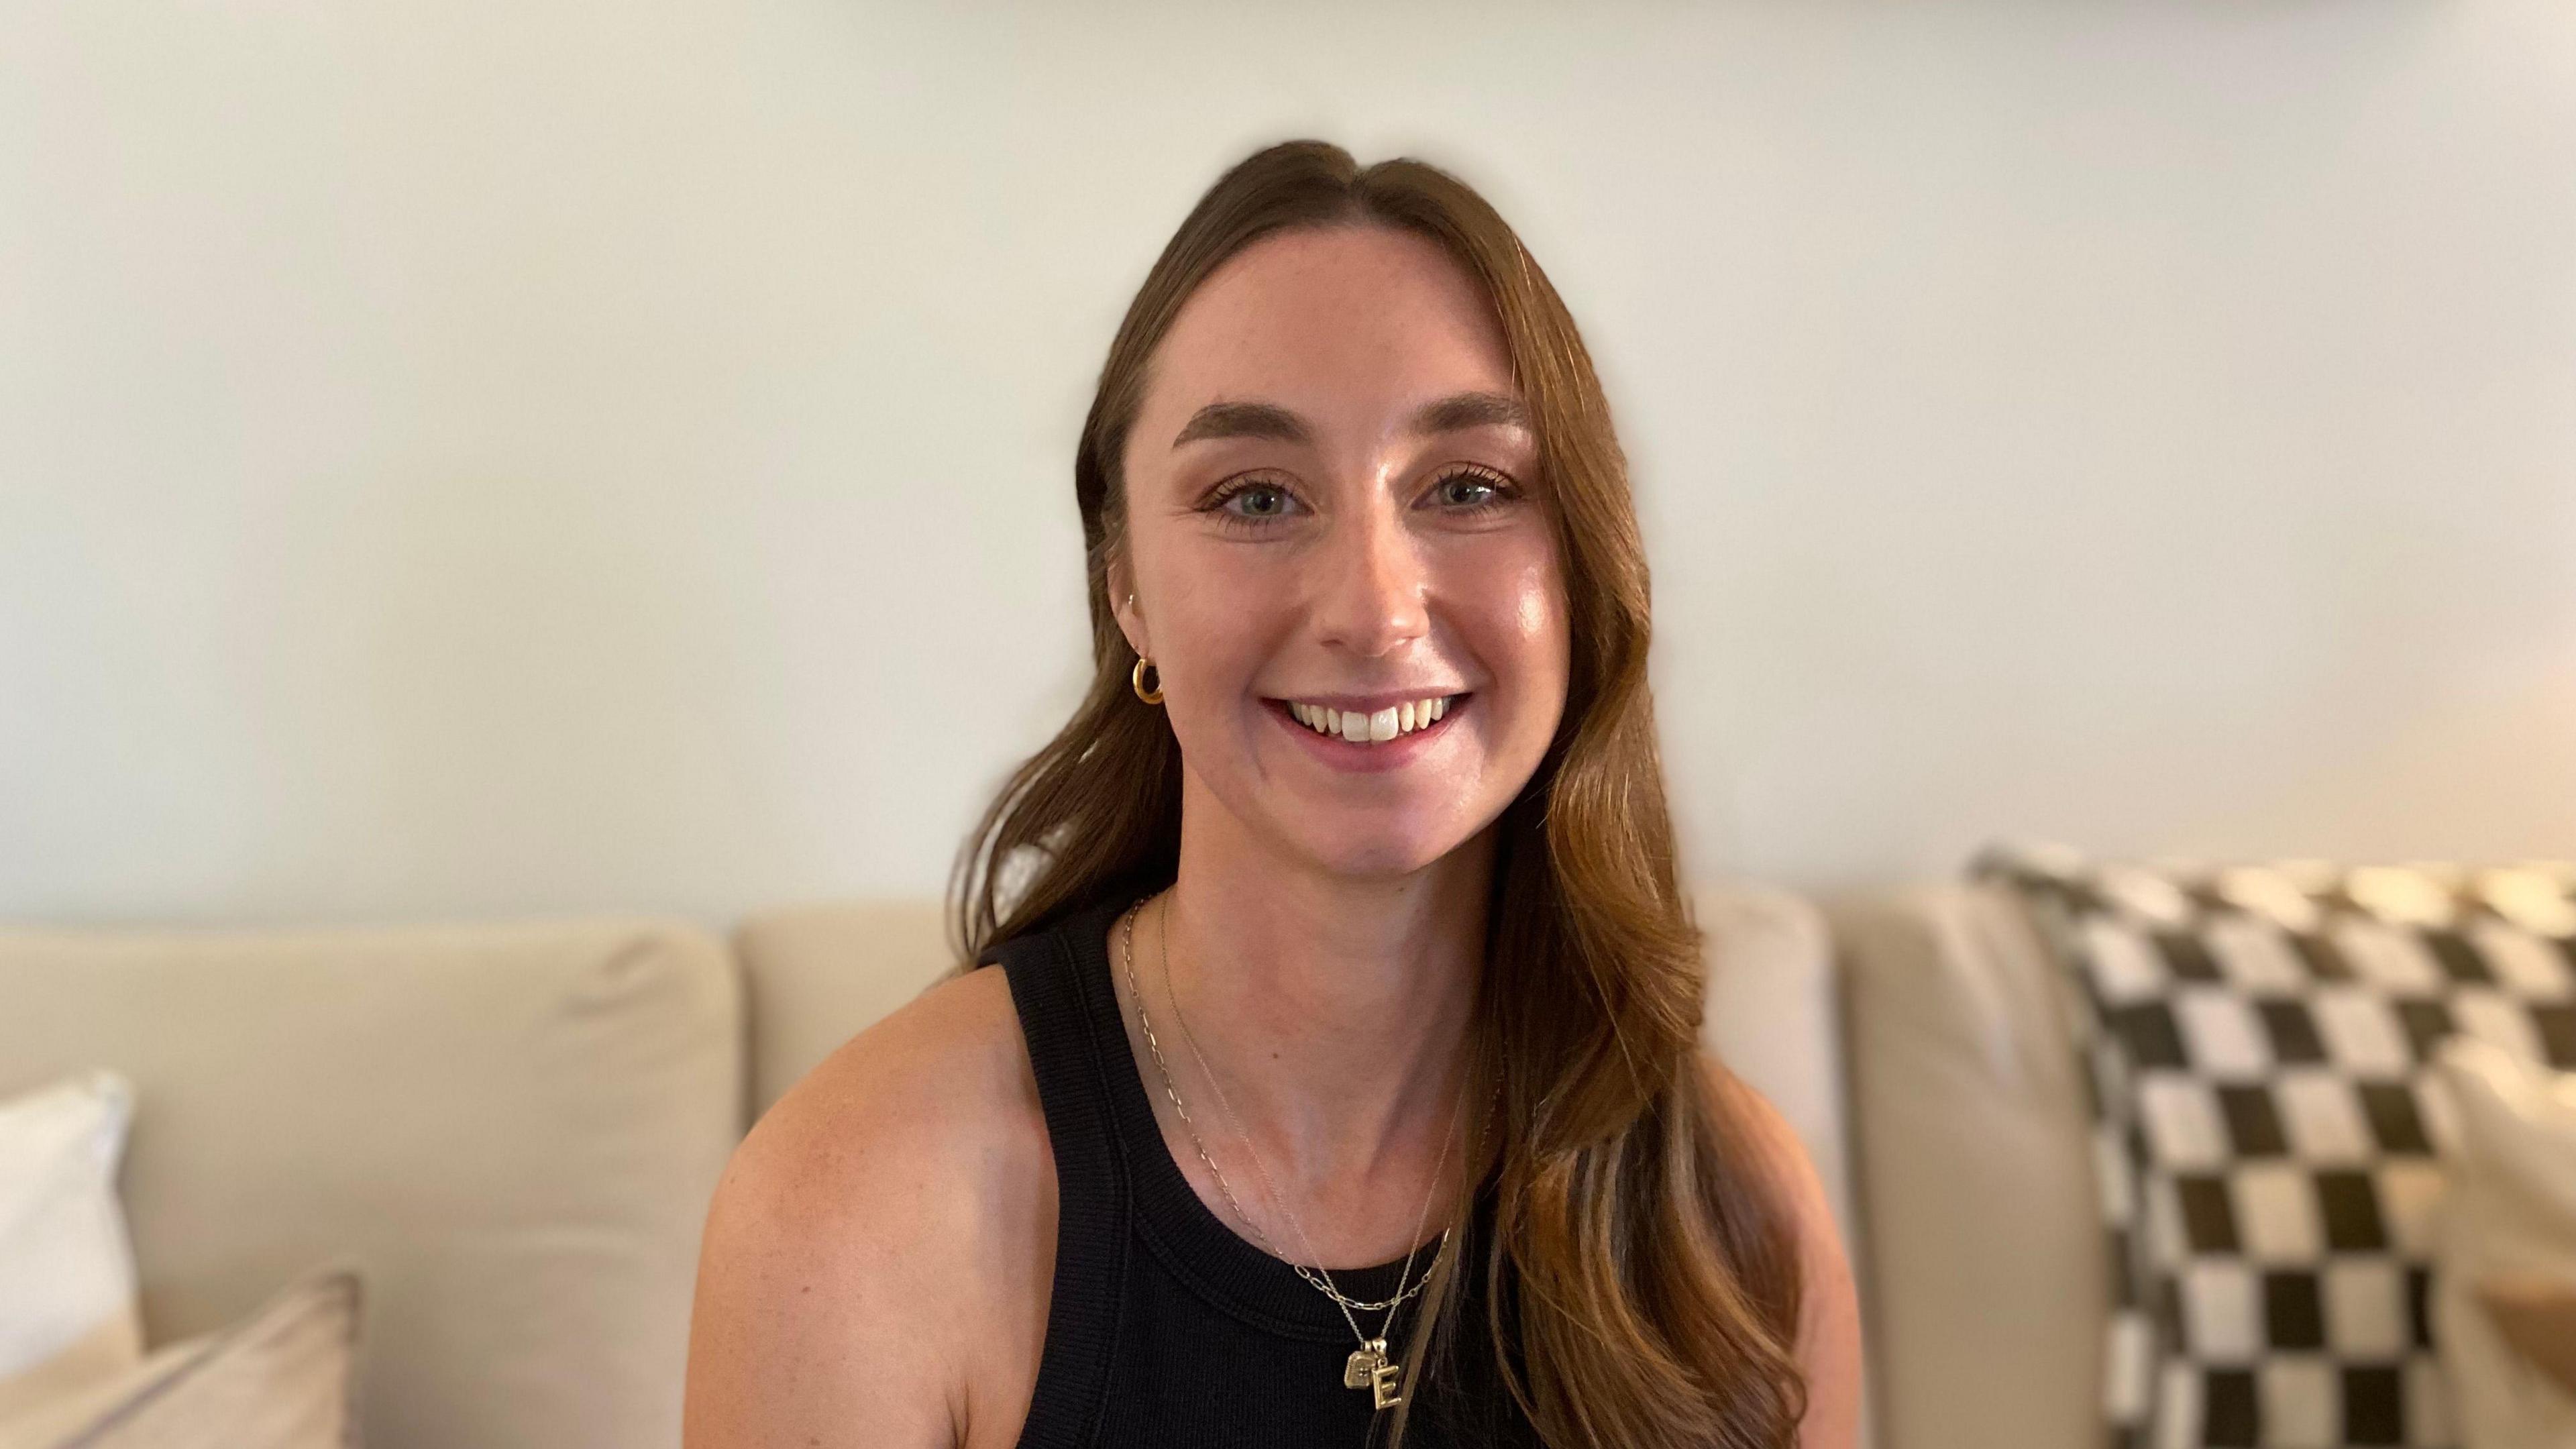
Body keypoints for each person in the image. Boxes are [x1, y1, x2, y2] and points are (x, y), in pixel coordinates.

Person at [683, 139, 1862, 1449]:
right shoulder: (855, 1212)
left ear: (1581, 565)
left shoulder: (1735, 1219)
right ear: (1126, 586)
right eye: (1256, 496)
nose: (1371, 606)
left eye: (1468, 486)